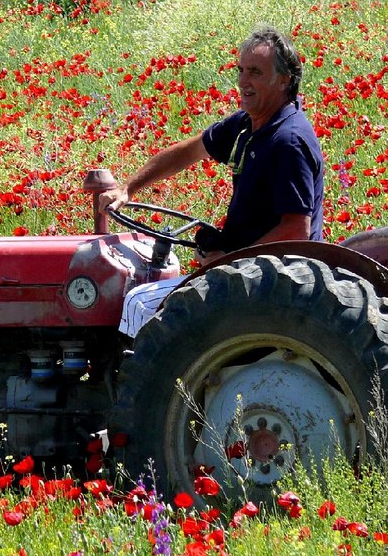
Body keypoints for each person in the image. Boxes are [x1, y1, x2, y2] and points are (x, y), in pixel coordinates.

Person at [103, 23, 325, 337]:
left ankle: (133, 369)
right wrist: (128, 188)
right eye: (241, 70)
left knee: (140, 303)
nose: (243, 81)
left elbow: (296, 230)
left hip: (271, 279)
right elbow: (189, 151)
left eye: (255, 72)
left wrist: (230, 261)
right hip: (248, 270)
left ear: (284, 80)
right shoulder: (248, 125)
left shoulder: (287, 141)